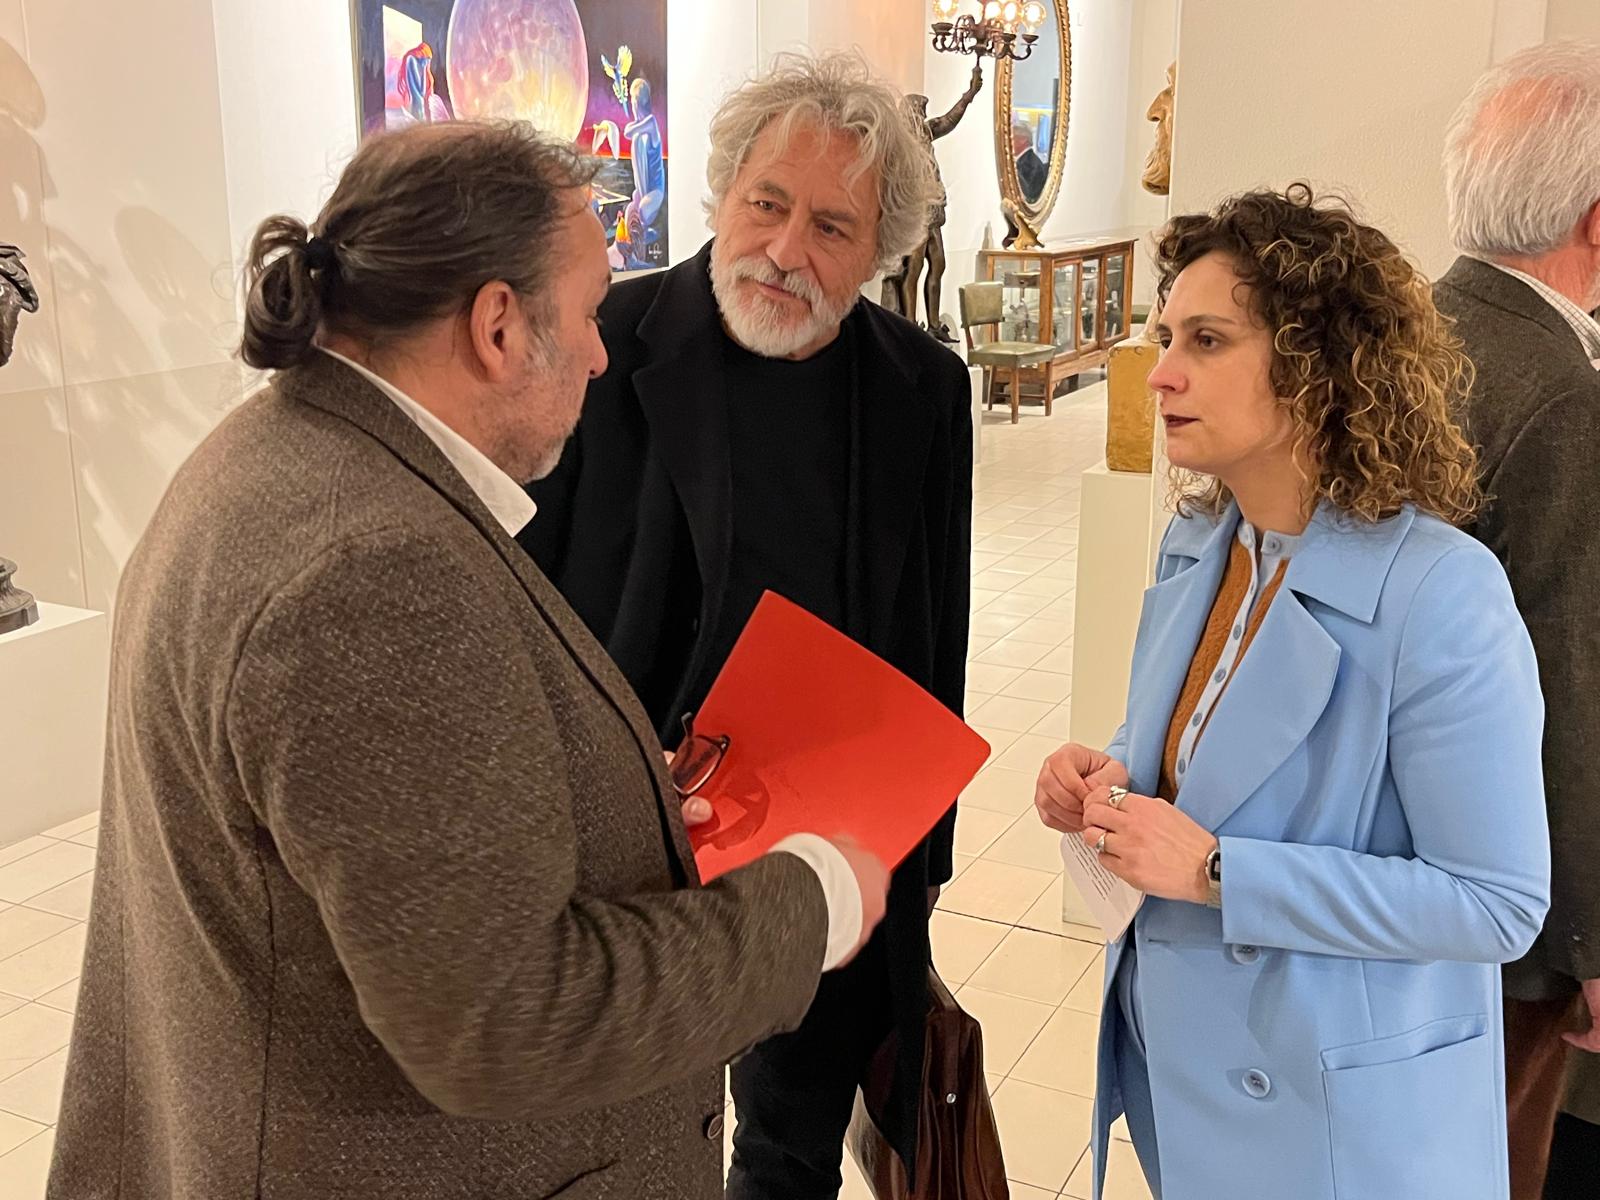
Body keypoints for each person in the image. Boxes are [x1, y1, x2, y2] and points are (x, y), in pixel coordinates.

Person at [46, 120, 891, 1200]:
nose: (599, 352)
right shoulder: (372, 570)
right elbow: (509, 1020)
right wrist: (812, 901)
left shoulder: (277, 456)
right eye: (586, 312)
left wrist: (614, 810)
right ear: (497, 325)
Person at [1033, 184, 1551, 1200]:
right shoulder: (1200, 543)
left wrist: (1221, 872)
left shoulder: (1439, 592)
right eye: (1165, 337)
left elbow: (1495, 904)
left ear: (1318, 364)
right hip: (1190, 1076)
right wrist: (1106, 777)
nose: (1161, 372)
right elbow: (1193, 760)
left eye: (1207, 341)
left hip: (1338, 1124)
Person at [520, 51, 971, 1200]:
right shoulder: (602, 340)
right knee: (620, 1140)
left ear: (879, 252)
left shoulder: (922, 386)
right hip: (626, 837)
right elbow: (517, 591)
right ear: (723, 193)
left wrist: (917, 868)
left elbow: (936, 628)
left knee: (789, 1143)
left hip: (824, 839)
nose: (783, 248)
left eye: (831, 226)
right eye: (766, 203)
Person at [1434, 42, 1600, 1200]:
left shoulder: (1408, 327)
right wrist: (1588, 939)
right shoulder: (1559, 395)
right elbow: (1564, 674)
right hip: (1507, 907)